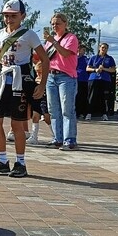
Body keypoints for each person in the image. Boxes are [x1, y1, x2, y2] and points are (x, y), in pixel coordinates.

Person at [0, 0, 49, 178]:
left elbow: (45, 59)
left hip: (20, 81)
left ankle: (21, 162)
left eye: (13, 16)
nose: (9, 19)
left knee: (17, 123)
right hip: (3, 81)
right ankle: (2, 160)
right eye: (6, 16)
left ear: (22, 16)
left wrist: (41, 85)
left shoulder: (29, 34)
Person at [42, 12, 79, 150]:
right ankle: (57, 138)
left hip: (66, 77)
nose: (54, 26)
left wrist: (53, 42)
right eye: (52, 24)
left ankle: (70, 140)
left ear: (65, 24)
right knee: (53, 109)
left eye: (57, 23)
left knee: (67, 110)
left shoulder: (71, 38)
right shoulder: (50, 41)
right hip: (51, 76)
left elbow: (65, 53)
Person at [85, 43, 115, 121]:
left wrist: (104, 69)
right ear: (99, 48)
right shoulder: (93, 58)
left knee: (104, 97)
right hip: (94, 78)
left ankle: (104, 114)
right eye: (102, 47)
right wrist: (95, 69)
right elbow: (87, 68)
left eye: (105, 48)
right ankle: (89, 113)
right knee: (92, 96)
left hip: (105, 79)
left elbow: (113, 69)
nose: (104, 49)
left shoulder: (110, 58)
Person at [75, 45, 89, 119]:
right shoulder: (74, 58)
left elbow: (89, 65)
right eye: (83, 50)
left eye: (84, 50)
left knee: (83, 96)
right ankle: (76, 112)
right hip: (76, 78)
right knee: (77, 96)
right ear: (79, 50)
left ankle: (83, 112)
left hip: (84, 79)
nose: (84, 51)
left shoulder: (85, 59)